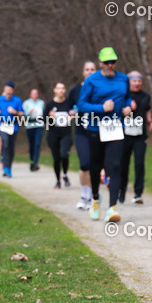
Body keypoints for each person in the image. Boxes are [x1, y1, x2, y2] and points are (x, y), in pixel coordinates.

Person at [77, 47, 130, 223]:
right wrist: (100, 108)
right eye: (106, 62)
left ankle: (112, 208)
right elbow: (82, 106)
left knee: (115, 166)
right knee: (95, 166)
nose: (109, 65)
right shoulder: (91, 81)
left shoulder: (123, 79)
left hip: (116, 128)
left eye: (112, 62)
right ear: (100, 63)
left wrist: (129, 107)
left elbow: (127, 98)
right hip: (95, 129)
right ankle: (94, 198)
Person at [119, 71, 152, 204]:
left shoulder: (146, 96)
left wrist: (150, 120)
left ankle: (138, 194)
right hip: (124, 135)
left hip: (140, 135)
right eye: (134, 81)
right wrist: (126, 108)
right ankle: (121, 191)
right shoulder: (123, 95)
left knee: (139, 164)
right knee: (123, 164)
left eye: (139, 81)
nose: (137, 83)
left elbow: (147, 109)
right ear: (128, 82)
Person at [68, 61, 98, 210]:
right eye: (87, 69)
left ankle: (93, 196)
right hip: (81, 131)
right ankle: (83, 195)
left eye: (93, 69)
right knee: (84, 164)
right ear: (83, 72)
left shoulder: (100, 88)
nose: (90, 72)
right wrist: (71, 113)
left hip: (97, 130)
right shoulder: (75, 90)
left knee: (94, 165)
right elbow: (69, 109)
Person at [46, 82, 73, 188]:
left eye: (63, 88)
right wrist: (50, 117)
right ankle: (58, 180)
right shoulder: (50, 104)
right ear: (55, 90)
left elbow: (74, 112)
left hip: (66, 133)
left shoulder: (68, 103)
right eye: (59, 88)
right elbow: (44, 120)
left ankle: (65, 174)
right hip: (53, 134)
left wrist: (73, 117)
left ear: (65, 90)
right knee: (56, 159)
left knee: (64, 156)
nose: (61, 90)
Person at [0, 82, 23, 177]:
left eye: (10, 89)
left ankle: (8, 168)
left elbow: (22, 113)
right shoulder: (0, 99)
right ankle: (4, 164)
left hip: (13, 126)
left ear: (13, 91)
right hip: (2, 125)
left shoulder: (17, 100)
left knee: (11, 148)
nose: (8, 91)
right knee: (5, 143)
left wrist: (15, 112)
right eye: (6, 89)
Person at [23, 88, 46, 171]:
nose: (35, 95)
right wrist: (29, 112)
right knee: (31, 144)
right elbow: (24, 115)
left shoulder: (41, 103)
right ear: (30, 94)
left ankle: (36, 162)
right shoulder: (26, 103)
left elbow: (44, 113)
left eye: (36, 93)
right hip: (30, 125)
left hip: (39, 125)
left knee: (37, 144)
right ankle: (32, 161)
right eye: (33, 93)